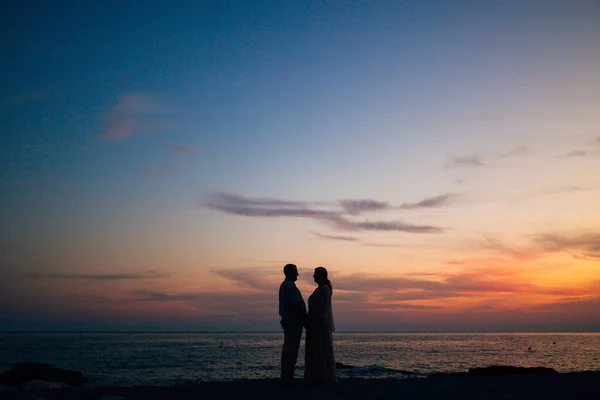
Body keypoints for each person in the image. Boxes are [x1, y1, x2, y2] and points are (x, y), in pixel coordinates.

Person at [304, 266, 337, 385]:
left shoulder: (324, 290)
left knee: (321, 350)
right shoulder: (319, 289)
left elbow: (322, 309)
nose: (313, 276)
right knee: (316, 351)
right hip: (315, 324)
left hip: (319, 324)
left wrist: (315, 321)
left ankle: (324, 377)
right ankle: (317, 376)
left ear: (322, 276)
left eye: (315, 274)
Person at [278, 263, 307, 385]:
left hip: (290, 320)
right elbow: (297, 305)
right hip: (292, 321)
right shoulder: (289, 286)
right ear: (290, 272)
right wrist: (306, 320)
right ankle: (288, 376)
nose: (298, 274)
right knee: (291, 348)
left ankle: (287, 375)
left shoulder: (287, 286)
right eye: (296, 271)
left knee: (289, 347)